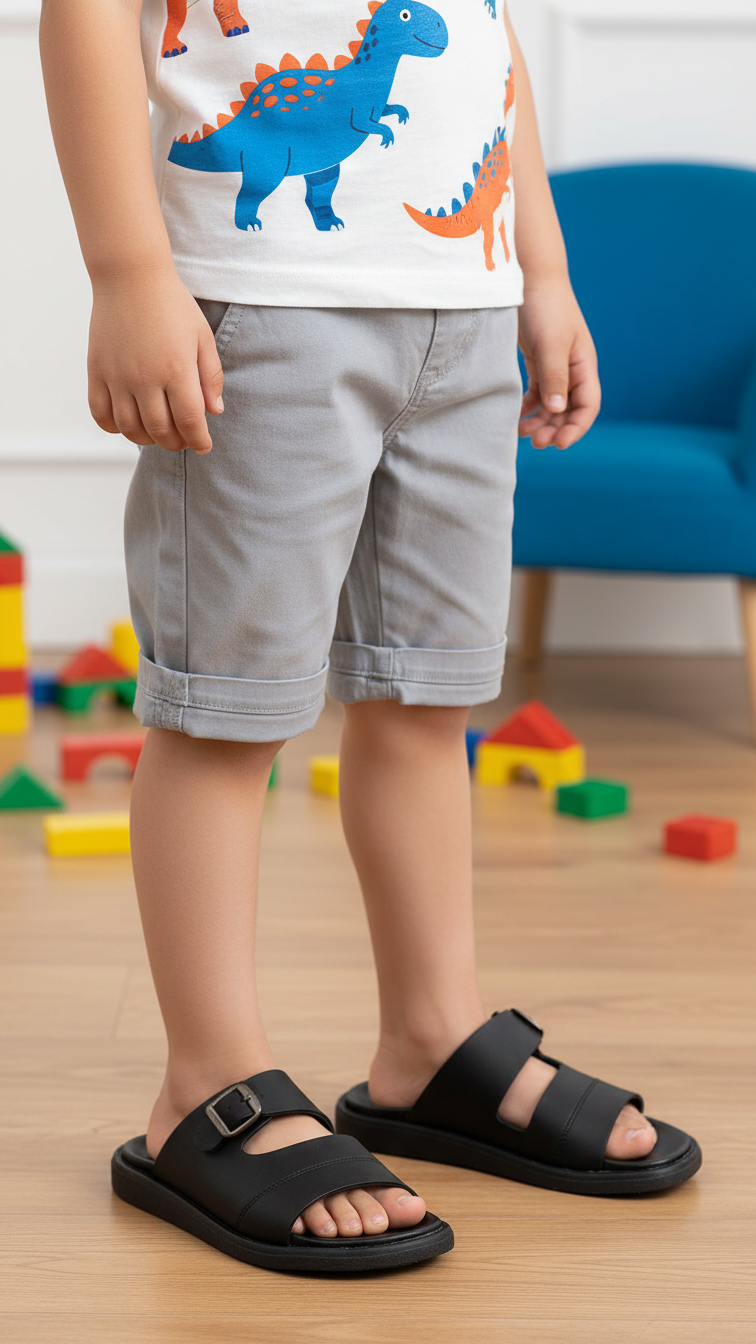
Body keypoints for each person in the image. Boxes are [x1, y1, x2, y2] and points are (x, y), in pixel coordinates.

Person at [40, 0, 701, 1274]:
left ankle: (432, 1041)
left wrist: (544, 269)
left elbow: (485, 39)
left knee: (427, 697)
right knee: (226, 711)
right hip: (261, 309)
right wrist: (127, 272)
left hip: (467, 313)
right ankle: (206, 1080)